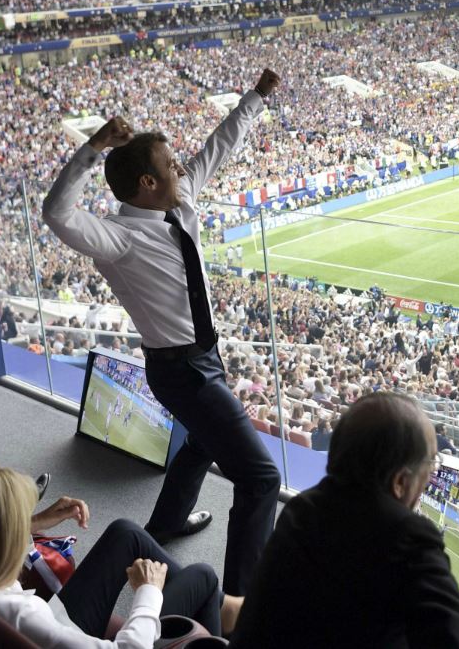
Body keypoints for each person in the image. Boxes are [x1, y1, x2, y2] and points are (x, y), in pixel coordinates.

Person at [43, 69, 283, 595]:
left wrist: (257, 98)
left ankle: (167, 524)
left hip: (203, 359)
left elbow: (218, 147)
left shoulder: (180, 201)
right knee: (262, 478)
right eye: (171, 165)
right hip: (180, 371)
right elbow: (56, 212)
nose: (182, 168)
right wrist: (93, 148)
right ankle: (240, 602)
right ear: (147, 183)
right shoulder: (118, 238)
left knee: (201, 442)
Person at [231, 393, 459, 648]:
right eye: (430, 463)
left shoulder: (301, 509)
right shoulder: (409, 537)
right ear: (400, 481)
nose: (429, 475)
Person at [0, 464, 242, 648]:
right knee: (202, 576)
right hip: (68, 631)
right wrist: (149, 592)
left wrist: (37, 522)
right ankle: (222, 615)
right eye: (17, 522)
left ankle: (224, 606)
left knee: (124, 533)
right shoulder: (15, 616)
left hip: (58, 617)